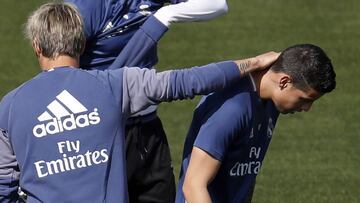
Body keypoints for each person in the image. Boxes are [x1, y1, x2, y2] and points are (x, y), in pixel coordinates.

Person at [0, 2, 279, 202]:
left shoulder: (10, 106)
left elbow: (4, 184)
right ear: (82, 45)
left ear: (37, 46)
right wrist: (251, 63)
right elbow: (188, 81)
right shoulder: (116, 86)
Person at [64, 0, 229, 201]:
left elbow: (218, 4)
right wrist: (154, 26)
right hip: (103, 132)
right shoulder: (87, 7)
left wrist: (168, 13)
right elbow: (61, 72)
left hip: (148, 127)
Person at [175, 44, 336, 203]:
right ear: (284, 82)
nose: (306, 108)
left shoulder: (271, 102)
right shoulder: (231, 110)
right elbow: (194, 186)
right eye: (304, 99)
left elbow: (246, 173)